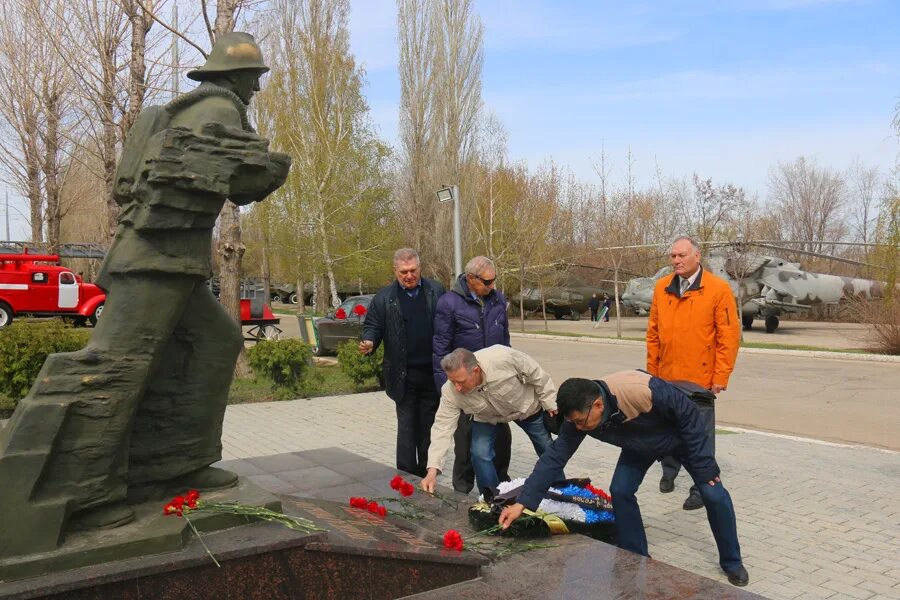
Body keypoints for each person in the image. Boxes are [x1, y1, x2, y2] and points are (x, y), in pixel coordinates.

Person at [0, 32, 290, 533]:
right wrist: (268, 170)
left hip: (170, 261)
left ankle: (174, 464)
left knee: (214, 343)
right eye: (253, 78)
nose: (256, 89)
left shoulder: (193, 110)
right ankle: (85, 492)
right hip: (155, 263)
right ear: (234, 77)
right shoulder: (217, 110)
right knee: (118, 369)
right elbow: (229, 177)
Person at [498, 372, 749, 588]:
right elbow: (554, 457)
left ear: (598, 405)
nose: (579, 427)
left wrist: (705, 468)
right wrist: (523, 502)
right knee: (621, 489)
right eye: (573, 422)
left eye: (580, 421)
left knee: (714, 493)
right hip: (640, 443)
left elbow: (690, 417)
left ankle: (732, 562)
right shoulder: (579, 416)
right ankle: (635, 555)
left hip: (680, 438)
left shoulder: (642, 390)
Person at [647, 236, 739, 511]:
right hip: (667, 377)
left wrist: (720, 377)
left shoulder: (718, 289)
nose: (676, 260)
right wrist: (652, 374)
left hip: (700, 381)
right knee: (667, 428)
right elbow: (653, 334)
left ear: (697, 257)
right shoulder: (662, 288)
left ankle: (701, 487)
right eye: (673, 256)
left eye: (681, 255)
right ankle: (670, 468)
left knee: (700, 437)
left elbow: (728, 337)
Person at [421, 346, 557, 495]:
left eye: (461, 381)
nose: (457, 387)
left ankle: (562, 489)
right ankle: (492, 498)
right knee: (480, 453)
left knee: (547, 448)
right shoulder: (450, 391)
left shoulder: (501, 357)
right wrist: (432, 470)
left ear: (476, 370)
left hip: (525, 407)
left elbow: (536, 374)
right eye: (452, 381)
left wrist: (549, 402)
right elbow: (442, 428)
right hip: (487, 418)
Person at [360, 248, 445, 477]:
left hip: (431, 374)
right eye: (403, 272)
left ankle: (428, 474)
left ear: (420, 268)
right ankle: (406, 476)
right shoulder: (384, 298)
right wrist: (369, 341)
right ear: (395, 271)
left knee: (429, 427)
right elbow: (373, 326)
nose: (409, 276)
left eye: (413, 270)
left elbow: (448, 322)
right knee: (407, 428)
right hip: (402, 375)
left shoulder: (435, 290)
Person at [432, 256, 513, 493]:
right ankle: (462, 493)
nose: (491, 286)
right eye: (487, 281)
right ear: (470, 279)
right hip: (465, 385)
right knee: (466, 446)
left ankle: (501, 491)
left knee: (501, 440)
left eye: (494, 280)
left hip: (495, 384)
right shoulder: (449, 303)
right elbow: (440, 347)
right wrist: (446, 390)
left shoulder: (498, 300)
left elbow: (505, 342)